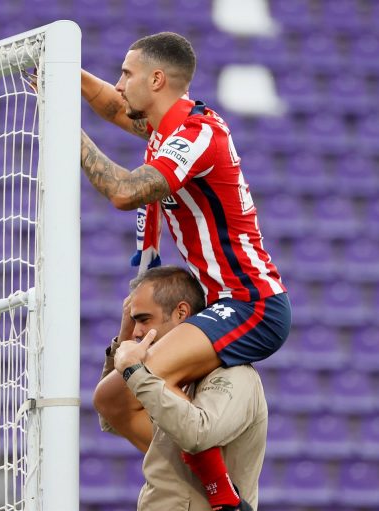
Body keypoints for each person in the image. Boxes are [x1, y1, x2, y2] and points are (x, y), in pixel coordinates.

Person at [81, 32, 291, 510]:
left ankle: (220, 497)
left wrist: (63, 134)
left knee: (140, 371)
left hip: (252, 303)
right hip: (223, 303)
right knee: (111, 398)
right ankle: (204, 484)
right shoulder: (166, 130)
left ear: (156, 79)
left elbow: (126, 191)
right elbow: (113, 107)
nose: (118, 83)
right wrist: (62, 76)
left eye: (126, 74)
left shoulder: (197, 134)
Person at [99, 266, 265, 511]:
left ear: (181, 313)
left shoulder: (234, 372)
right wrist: (123, 338)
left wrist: (134, 371)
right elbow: (114, 414)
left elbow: (197, 434)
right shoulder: (175, 382)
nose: (137, 332)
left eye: (143, 319)